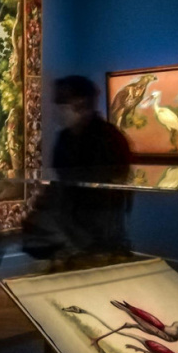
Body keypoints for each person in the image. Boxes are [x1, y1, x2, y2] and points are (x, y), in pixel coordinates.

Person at [23, 75, 132, 259]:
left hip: (100, 237)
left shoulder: (110, 138)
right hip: (71, 233)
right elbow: (59, 183)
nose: (57, 107)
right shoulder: (65, 138)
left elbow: (114, 193)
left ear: (81, 102)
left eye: (62, 100)